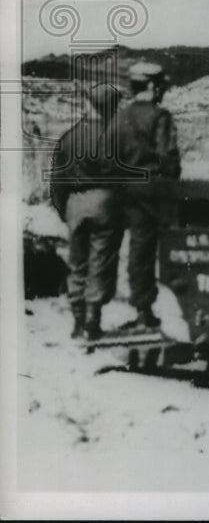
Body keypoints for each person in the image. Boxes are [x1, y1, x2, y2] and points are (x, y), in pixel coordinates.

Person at [50, 83, 123, 341]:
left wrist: (64, 211)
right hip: (106, 202)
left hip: (75, 204)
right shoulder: (115, 137)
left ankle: (77, 322)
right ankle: (93, 321)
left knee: (77, 264)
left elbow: (57, 180)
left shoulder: (69, 136)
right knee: (101, 262)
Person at [110, 60, 180, 330]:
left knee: (139, 250)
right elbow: (168, 158)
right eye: (160, 85)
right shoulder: (160, 116)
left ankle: (142, 311)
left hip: (128, 193)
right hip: (156, 192)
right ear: (152, 86)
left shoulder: (120, 117)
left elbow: (110, 158)